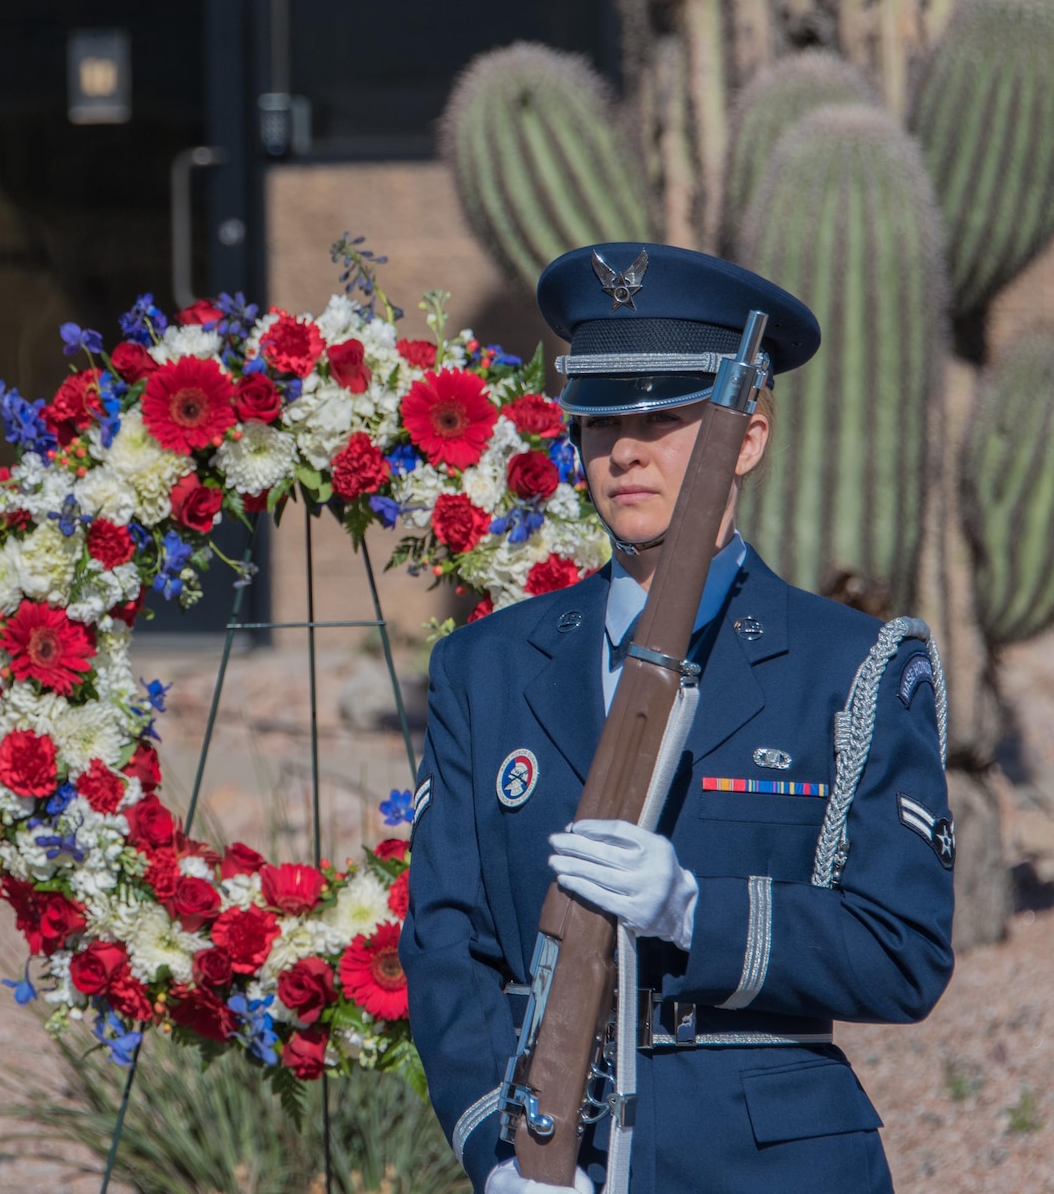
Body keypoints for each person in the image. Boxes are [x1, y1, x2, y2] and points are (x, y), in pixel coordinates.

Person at [401, 243, 953, 1194]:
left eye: (665, 416)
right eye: (603, 418)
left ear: (748, 439)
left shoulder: (851, 666)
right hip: (553, 1159)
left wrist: (700, 914)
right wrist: (502, 1151)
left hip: (767, 1161)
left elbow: (903, 948)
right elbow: (445, 945)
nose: (624, 449)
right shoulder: (484, 668)